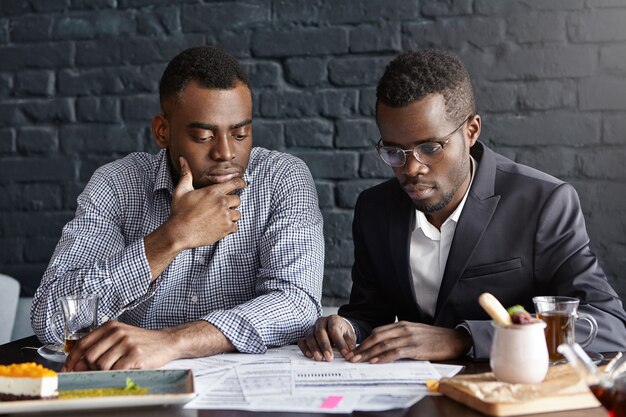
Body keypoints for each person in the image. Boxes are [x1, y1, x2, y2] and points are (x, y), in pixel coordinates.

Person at [298, 49, 626, 363]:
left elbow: (607, 325)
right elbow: (371, 314)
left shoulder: (543, 204)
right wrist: (347, 327)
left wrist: (463, 339)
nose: (410, 169)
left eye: (430, 147)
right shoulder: (375, 208)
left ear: (471, 131)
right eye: (394, 151)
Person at [32, 46, 324, 371]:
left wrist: (173, 342)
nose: (226, 152)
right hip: (137, 387)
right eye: (203, 136)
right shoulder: (116, 185)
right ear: (163, 131)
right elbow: (52, 318)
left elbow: (297, 305)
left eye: (240, 133)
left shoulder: (283, 179)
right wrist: (172, 238)